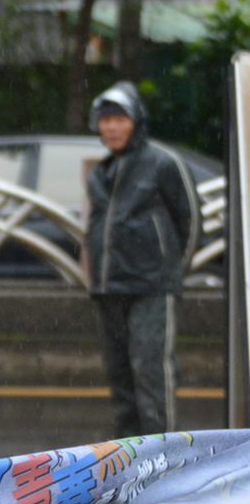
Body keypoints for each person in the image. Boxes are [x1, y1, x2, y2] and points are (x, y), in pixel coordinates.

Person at [84, 80, 199, 438]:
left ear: (136, 121)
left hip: (150, 286)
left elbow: (190, 220)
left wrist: (170, 272)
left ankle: (163, 458)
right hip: (107, 288)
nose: (111, 128)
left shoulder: (163, 162)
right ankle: (128, 458)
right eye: (105, 120)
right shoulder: (100, 172)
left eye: (120, 119)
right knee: (119, 377)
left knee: (151, 372)